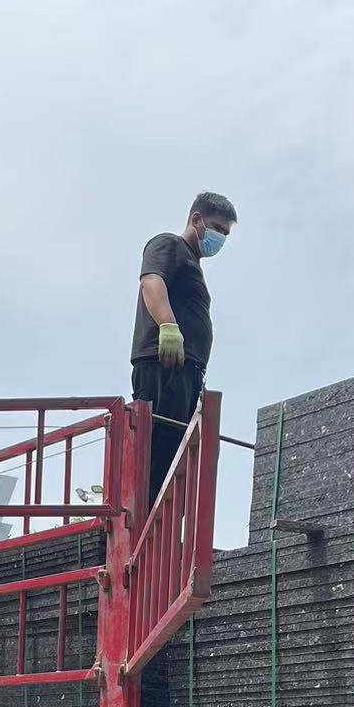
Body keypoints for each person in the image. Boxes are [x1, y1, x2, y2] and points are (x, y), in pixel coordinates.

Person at [131, 191, 237, 506]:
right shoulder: (169, 245)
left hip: (186, 372)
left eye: (226, 234)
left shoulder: (193, 264)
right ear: (196, 219)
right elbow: (152, 281)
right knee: (158, 457)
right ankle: (143, 521)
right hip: (165, 365)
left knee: (178, 463)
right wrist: (168, 326)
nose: (220, 238)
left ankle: (156, 519)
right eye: (217, 228)